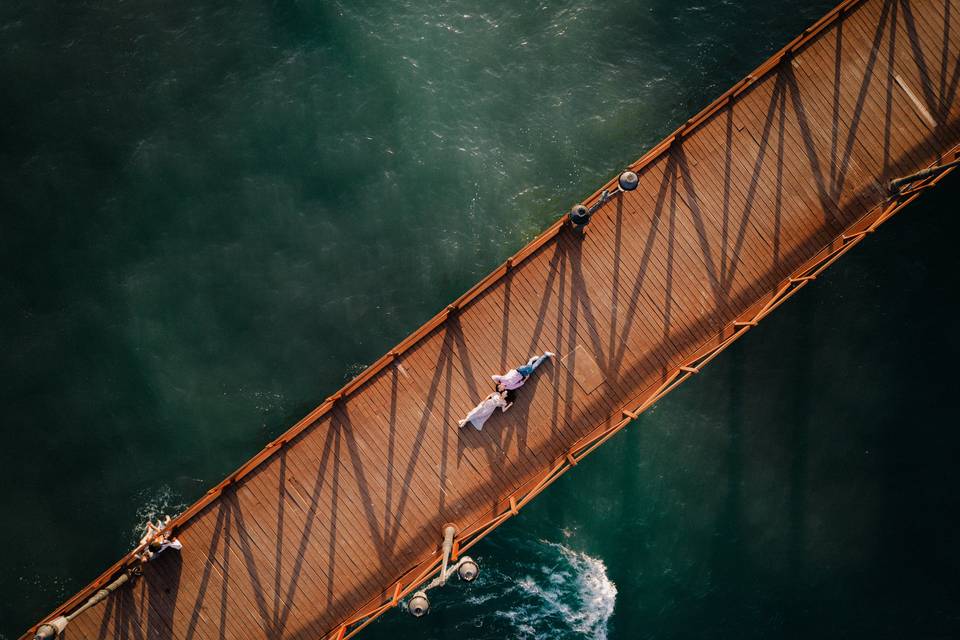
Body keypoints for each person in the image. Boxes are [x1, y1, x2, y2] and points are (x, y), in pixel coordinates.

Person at [492, 351, 556, 391]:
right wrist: (526, 378)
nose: (502, 389)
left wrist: (498, 382)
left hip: (518, 370)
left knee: (529, 367)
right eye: (501, 390)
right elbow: (519, 384)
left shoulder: (502, 379)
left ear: (499, 386)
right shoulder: (509, 387)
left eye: (500, 388)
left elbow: (493, 377)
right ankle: (545, 355)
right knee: (535, 366)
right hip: (523, 375)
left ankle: (531, 360)